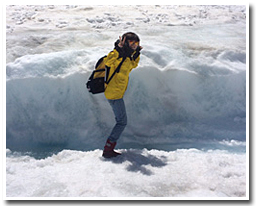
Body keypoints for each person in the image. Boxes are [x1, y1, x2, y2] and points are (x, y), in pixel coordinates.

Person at [102, 32, 142, 158]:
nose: (134, 45)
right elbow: (107, 62)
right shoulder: (118, 54)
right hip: (114, 94)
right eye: (132, 43)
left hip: (118, 92)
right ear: (125, 43)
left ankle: (109, 148)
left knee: (121, 121)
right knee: (122, 122)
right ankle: (108, 149)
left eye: (137, 43)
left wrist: (136, 54)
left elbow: (133, 65)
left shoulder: (128, 56)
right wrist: (118, 49)